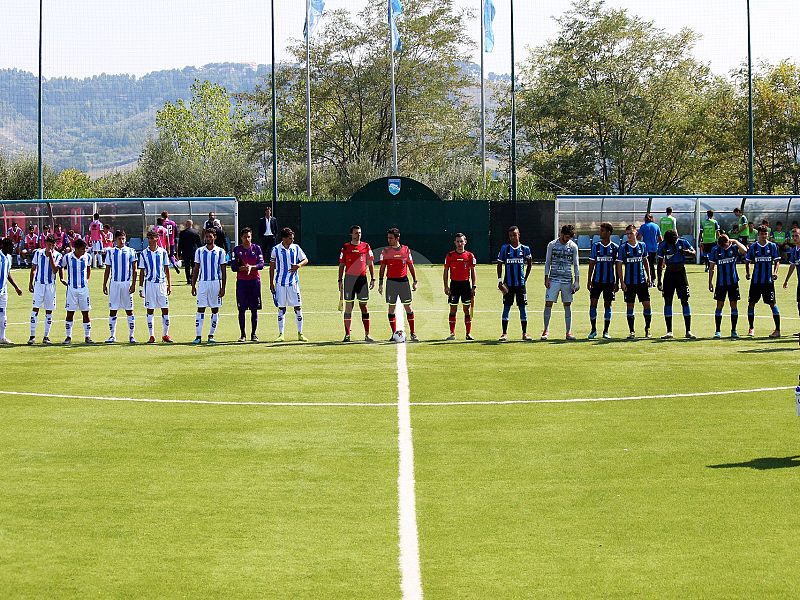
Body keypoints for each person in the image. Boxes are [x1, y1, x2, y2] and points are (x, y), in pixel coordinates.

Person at [379, 227, 419, 342]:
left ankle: (413, 333)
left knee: (408, 307)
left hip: (403, 282)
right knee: (391, 309)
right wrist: (381, 283)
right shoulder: (385, 251)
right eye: (388, 238)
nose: (389, 240)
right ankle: (393, 333)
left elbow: (411, 265)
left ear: (397, 238)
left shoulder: (406, 250)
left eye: (391, 238)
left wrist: (415, 281)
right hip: (391, 282)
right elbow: (382, 268)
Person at [270, 227, 309, 342]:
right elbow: (272, 267)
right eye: (290, 238)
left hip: (293, 283)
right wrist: (271, 282)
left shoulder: (296, 248)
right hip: (280, 284)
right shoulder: (276, 249)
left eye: (292, 238)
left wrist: (299, 265)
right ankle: (281, 334)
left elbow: (305, 259)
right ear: (284, 238)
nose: (292, 240)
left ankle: (300, 333)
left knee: (297, 307)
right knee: (281, 308)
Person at [542, 224, 580, 340]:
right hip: (553, 279)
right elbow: (548, 261)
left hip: (567, 280)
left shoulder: (573, 246)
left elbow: (576, 264)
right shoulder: (552, 245)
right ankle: (545, 330)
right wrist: (546, 277)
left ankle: (568, 332)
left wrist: (577, 281)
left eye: (569, 238)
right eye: (565, 237)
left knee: (567, 305)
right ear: (561, 234)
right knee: (548, 303)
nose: (567, 239)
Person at [338, 225, 376, 343]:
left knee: (364, 306)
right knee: (349, 307)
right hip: (349, 280)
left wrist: (373, 278)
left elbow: (370, 263)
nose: (358, 234)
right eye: (356, 233)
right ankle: (347, 334)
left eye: (359, 232)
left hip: (362, 280)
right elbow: (341, 265)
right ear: (351, 234)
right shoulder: (346, 247)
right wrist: (339, 280)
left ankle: (367, 334)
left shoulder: (366, 246)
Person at [656, 229, 696, 339]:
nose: (672, 243)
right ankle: (669, 331)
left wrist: (688, 253)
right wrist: (659, 281)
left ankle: (688, 331)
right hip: (669, 274)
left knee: (685, 300)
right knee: (668, 300)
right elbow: (660, 264)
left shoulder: (683, 242)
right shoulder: (662, 245)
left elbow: (694, 253)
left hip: (681, 274)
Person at [496, 225, 533, 342]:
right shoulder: (505, 248)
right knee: (506, 307)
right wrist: (500, 281)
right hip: (508, 285)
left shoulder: (525, 249)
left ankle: (525, 333)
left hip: (521, 285)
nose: (513, 237)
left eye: (515, 235)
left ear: (519, 235)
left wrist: (525, 278)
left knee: (522, 307)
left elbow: (530, 264)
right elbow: (499, 264)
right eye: (511, 235)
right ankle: (504, 333)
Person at [616, 224, 652, 339]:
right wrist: (622, 282)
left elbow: (646, 261)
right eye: (627, 234)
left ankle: (647, 329)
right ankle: (632, 331)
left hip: (641, 282)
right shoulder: (623, 247)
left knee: (647, 305)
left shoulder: (642, 245)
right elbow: (619, 265)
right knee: (630, 306)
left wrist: (649, 276)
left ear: (636, 233)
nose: (629, 236)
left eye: (631, 233)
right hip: (629, 282)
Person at [744, 225, 781, 338]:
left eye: (765, 234)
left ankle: (778, 330)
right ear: (758, 234)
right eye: (761, 233)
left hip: (768, 282)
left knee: (772, 304)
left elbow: (777, 261)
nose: (764, 236)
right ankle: (751, 328)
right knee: (751, 304)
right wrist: (748, 273)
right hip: (755, 282)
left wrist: (775, 272)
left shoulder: (772, 246)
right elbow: (747, 261)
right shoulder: (753, 247)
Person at [708, 234, 748, 338]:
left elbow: (745, 251)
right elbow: (711, 267)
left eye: (725, 245)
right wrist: (710, 282)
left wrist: (735, 241)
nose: (724, 247)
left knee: (733, 306)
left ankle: (734, 330)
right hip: (720, 283)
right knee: (719, 306)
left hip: (733, 282)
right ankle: (717, 331)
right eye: (722, 246)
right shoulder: (715, 250)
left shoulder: (734, 248)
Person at [191, 229, 227, 344]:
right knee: (200, 308)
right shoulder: (199, 251)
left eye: (210, 237)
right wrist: (193, 285)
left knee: (215, 309)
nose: (208, 239)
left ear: (214, 237)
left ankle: (211, 335)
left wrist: (223, 287)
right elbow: (196, 268)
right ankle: (198, 336)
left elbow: (223, 270)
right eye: (206, 237)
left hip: (215, 283)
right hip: (202, 283)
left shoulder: (220, 251)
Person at [102, 230, 138, 344]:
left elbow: (135, 269)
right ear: (115, 240)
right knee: (113, 310)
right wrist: (104, 284)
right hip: (114, 284)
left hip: (126, 284)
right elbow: (107, 269)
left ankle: (132, 336)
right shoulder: (110, 252)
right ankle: (112, 336)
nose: (122, 241)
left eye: (123, 239)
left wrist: (133, 284)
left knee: (129, 310)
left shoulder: (131, 251)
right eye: (119, 239)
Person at [231, 227, 264, 342]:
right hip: (242, 283)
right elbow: (233, 267)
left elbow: (261, 264)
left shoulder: (257, 248)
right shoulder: (236, 250)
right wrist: (242, 268)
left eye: (249, 237)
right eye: (245, 237)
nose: (247, 239)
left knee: (254, 309)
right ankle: (243, 334)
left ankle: (254, 334)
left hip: (254, 282)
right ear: (241, 238)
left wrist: (252, 267)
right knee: (241, 309)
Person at [139, 230, 173, 344]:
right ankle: (151, 336)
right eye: (148, 238)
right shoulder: (143, 253)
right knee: (150, 310)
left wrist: (169, 284)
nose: (150, 240)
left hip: (161, 284)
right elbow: (142, 271)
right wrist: (140, 288)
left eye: (152, 238)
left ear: (157, 239)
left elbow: (167, 269)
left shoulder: (162, 252)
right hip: (149, 285)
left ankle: (165, 335)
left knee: (165, 309)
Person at [59, 238, 94, 344]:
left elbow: (88, 268)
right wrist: (62, 278)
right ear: (77, 249)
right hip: (71, 289)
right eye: (83, 249)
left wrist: (87, 279)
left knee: (86, 313)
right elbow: (61, 266)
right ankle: (68, 336)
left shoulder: (87, 257)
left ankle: (87, 336)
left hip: (84, 289)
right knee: (70, 313)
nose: (85, 251)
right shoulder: (68, 257)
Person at [27, 235, 61, 345]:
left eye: (52, 245)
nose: (50, 247)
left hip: (50, 286)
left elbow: (55, 270)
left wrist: (51, 256)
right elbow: (33, 269)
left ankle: (46, 336)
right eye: (48, 244)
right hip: (39, 285)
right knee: (35, 309)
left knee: (49, 311)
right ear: (45, 243)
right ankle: (32, 336)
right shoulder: (38, 253)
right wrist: (30, 283)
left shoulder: (58, 255)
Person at [587, 222, 618, 339]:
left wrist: (617, 282)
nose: (600, 232)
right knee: (593, 304)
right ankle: (593, 329)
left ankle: (606, 331)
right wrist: (589, 280)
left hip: (609, 282)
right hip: (596, 281)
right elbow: (591, 264)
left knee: (607, 305)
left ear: (609, 232)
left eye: (602, 231)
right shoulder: (596, 246)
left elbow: (617, 266)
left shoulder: (615, 247)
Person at [443, 232, 476, 341]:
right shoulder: (450, 255)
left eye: (461, 241)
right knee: (453, 309)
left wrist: (474, 286)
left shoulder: (470, 255)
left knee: (466, 310)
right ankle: (452, 334)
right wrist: (446, 286)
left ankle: (468, 334)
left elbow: (473, 271)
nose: (459, 243)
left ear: (465, 242)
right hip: (454, 285)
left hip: (466, 285)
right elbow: (446, 271)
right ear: (455, 243)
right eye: (457, 241)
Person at [0, 238, 23, 344]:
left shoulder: (8, 258)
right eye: (11, 246)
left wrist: (16, 287)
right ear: (5, 246)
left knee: (3, 314)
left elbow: (7, 273)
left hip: (3, 292)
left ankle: (2, 337)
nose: (13, 248)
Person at [781, 227, 800, 342]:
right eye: (793, 236)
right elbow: (792, 265)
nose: (794, 238)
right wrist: (786, 280)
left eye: (796, 235)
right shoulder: (794, 250)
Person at [637, 214, 662, 281]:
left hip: (645, 248)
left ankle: (647, 278)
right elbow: (660, 239)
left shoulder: (643, 226)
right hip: (654, 248)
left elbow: (639, 237)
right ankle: (653, 278)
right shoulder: (656, 226)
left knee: (645, 263)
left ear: (645, 219)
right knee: (651, 264)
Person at [177, 220, 202, 285]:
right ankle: (192, 277)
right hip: (194, 251)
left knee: (187, 266)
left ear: (186, 224)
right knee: (194, 265)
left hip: (185, 251)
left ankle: (188, 279)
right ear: (192, 224)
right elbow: (199, 243)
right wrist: (201, 251)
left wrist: (179, 253)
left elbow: (180, 244)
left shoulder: (182, 233)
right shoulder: (196, 232)